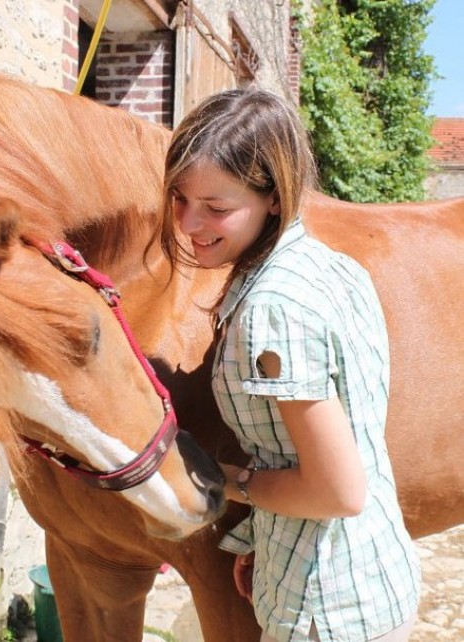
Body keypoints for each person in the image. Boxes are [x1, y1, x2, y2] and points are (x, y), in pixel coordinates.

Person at [156, 88, 421, 642]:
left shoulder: (274, 307)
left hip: (327, 611)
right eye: (179, 197)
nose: (188, 222)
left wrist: (219, 480)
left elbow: (337, 491)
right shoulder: (331, 267)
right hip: (367, 576)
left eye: (217, 207)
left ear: (275, 197)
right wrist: (268, 542)